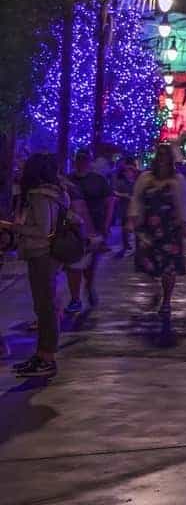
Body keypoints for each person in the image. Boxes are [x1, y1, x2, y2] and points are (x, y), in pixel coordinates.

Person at [2, 154, 70, 378]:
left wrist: (12, 227)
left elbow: (42, 230)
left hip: (42, 254)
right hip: (44, 255)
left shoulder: (41, 196)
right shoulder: (54, 193)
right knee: (44, 307)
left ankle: (46, 357)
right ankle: (42, 355)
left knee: (45, 308)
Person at [129, 144, 186, 316]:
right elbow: (137, 200)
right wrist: (132, 220)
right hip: (147, 228)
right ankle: (155, 290)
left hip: (170, 229)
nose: (162, 160)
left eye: (166, 157)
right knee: (145, 261)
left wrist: (185, 224)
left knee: (169, 267)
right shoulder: (145, 178)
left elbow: (184, 203)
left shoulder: (178, 180)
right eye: (160, 156)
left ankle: (166, 301)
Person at [64, 149, 113, 313]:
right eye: (79, 159)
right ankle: (75, 298)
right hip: (73, 229)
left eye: (84, 159)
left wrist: (106, 226)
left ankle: (89, 286)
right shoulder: (68, 180)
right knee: (73, 264)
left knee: (90, 264)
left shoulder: (98, 180)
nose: (81, 162)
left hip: (95, 228)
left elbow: (109, 202)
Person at [112, 157, 140, 256]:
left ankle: (137, 247)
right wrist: (124, 195)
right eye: (127, 171)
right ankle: (126, 245)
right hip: (124, 208)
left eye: (131, 171)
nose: (129, 173)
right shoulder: (121, 182)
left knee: (136, 228)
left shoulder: (137, 182)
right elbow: (114, 192)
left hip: (135, 209)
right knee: (124, 228)